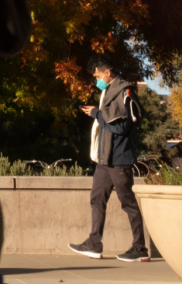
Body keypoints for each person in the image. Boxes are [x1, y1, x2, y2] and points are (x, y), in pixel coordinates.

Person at [69, 55, 148, 263]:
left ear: (107, 73)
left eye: (97, 75)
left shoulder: (124, 90)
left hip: (119, 158)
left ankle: (140, 248)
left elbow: (121, 126)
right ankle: (94, 244)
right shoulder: (107, 91)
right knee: (97, 198)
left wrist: (96, 114)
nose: (97, 80)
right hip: (104, 158)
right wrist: (97, 114)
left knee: (128, 203)